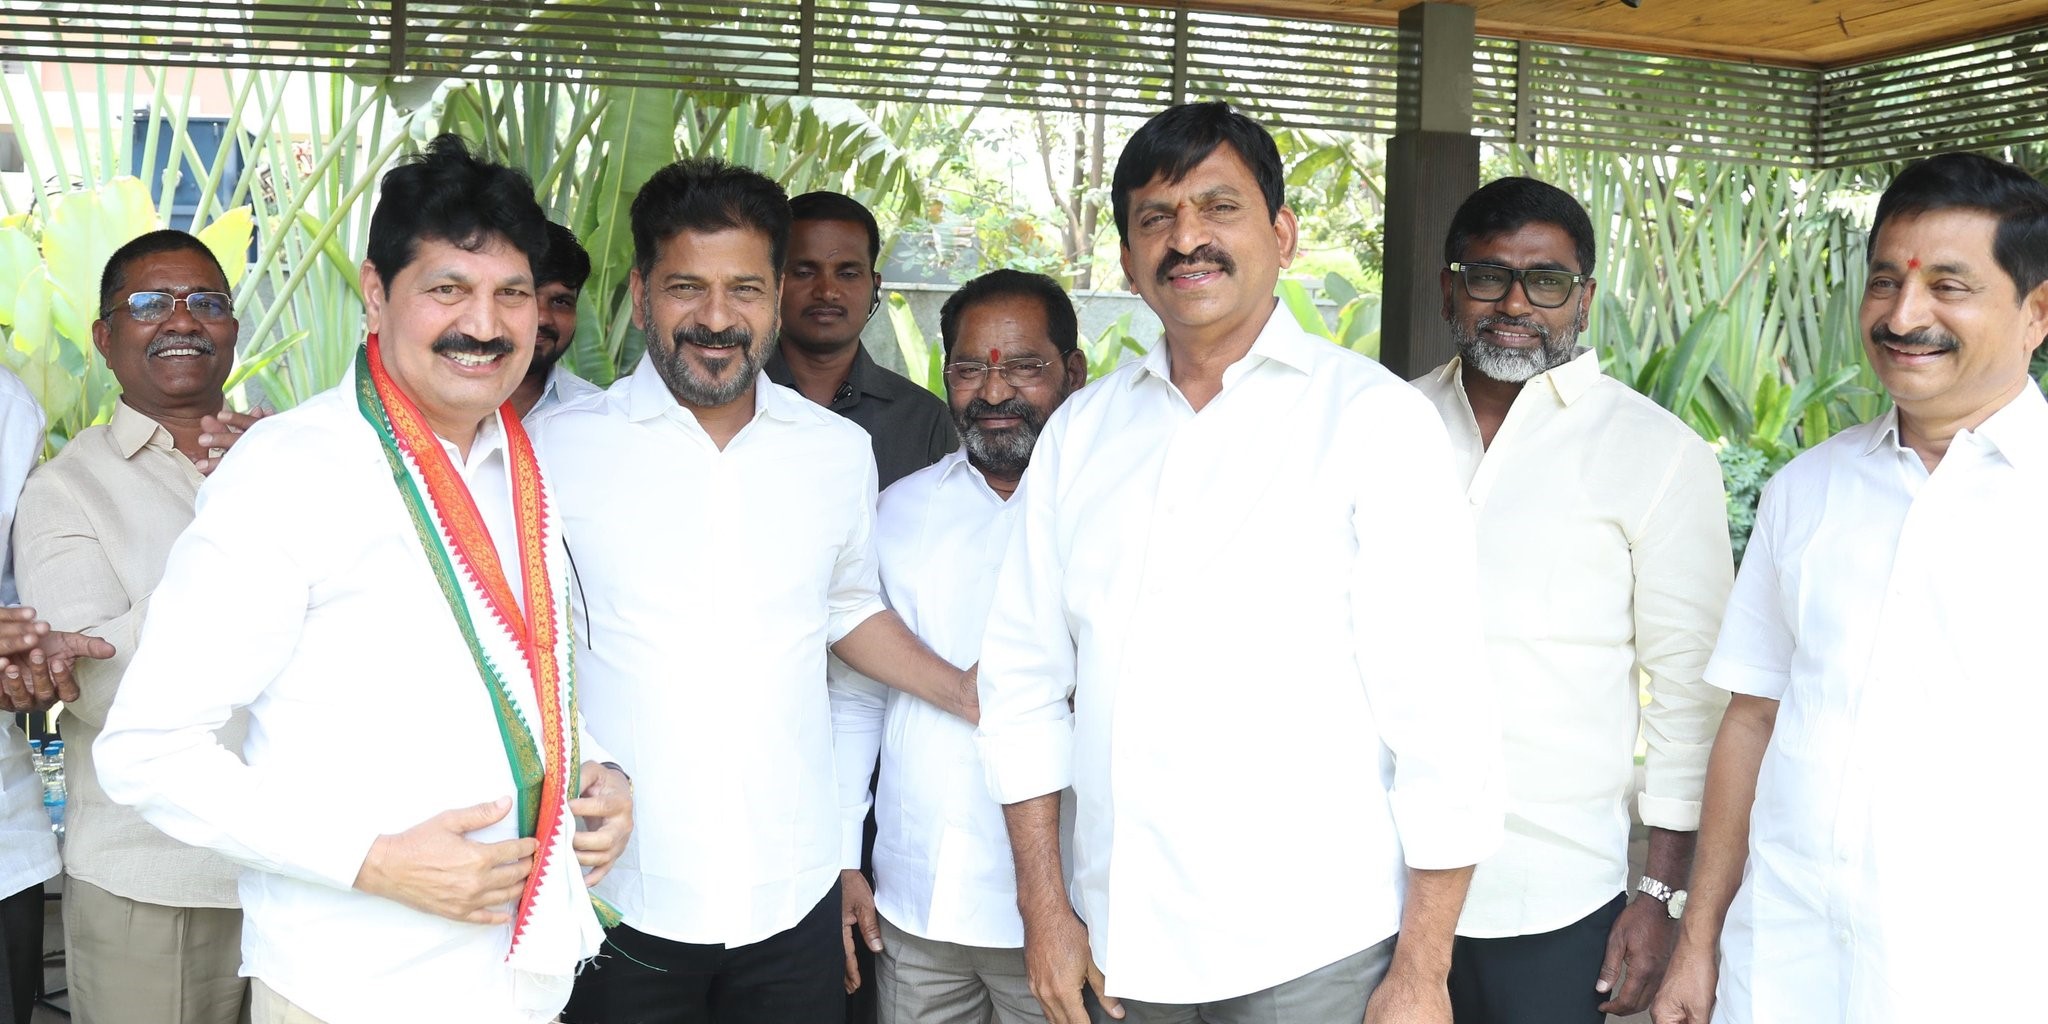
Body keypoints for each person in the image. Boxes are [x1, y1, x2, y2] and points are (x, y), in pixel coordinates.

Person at [975, 100, 1502, 1024]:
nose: (1188, 240)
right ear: (1131, 259)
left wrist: (1423, 967)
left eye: (1219, 208)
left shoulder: (1373, 423)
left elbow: (1444, 713)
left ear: (1283, 234)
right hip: (1117, 942)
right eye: (1156, 218)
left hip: (1314, 949)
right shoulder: (1083, 435)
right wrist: (1045, 912)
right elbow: (1020, 687)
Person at [94, 134, 633, 1024]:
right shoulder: (288, 471)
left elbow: (516, 657)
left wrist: (598, 768)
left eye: (512, 294)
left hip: (521, 977)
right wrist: (374, 860)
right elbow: (147, 752)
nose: (486, 327)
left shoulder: (517, 464)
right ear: (378, 293)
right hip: (354, 986)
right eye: (448, 290)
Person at [543, 158, 978, 1024]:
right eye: (685, 287)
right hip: (618, 897)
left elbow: (847, 607)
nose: (716, 318)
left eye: (744, 288)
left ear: (777, 295)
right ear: (639, 296)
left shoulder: (831, 451)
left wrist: (967, 691)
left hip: (792, 892)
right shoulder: (553, 452)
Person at [1651, 151, 2048, 1024]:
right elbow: (1752, 718)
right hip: (1782, 962)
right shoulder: (1808, 489)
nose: (1905, 316)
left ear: (2036, 312)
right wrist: (1699, 939)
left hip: (1983, 979)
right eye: (1884, 284)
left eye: (1950, 286)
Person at [1412, 178, 1732, 1023]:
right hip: (1376, 884)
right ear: (1450, 288)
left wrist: (1659, 893)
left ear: (1582, 300)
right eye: (1488, 276)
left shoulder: (1657, 453)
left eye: (1546, 281)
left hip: (1551, 900)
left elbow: (1690, 702)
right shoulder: (1388, 426)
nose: (1515, 302)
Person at [13, 229, 271, 1024]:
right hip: (157, 879)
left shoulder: (297, 457)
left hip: (310, 873)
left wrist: (281, 478)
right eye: (151, 304)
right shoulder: (65, 489)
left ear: (232, 328)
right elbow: (100, 684)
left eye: (208, 303)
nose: (182, 320)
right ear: (104, 337)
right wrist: (249, 522)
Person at [835, 269, 1087, 1024]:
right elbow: (855, 693)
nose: (994, 390)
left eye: (1023, 366)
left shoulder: (1110, 512)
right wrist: (847, 853)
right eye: (970, 367)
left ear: (1072, 372)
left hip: (1065, 909)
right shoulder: (898, 511)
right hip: (916, 905)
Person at [765, 190, 955, 489]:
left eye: (848, 273)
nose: (827, 291)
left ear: (874, 287)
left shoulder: (923, 419)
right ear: (773, 283)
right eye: (804, 272)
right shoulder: (733, 401)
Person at [510, 220, 603, 420]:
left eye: (560, 301)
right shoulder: (433, 407)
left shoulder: (596, 415)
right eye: (523, 295)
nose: (542, 317)